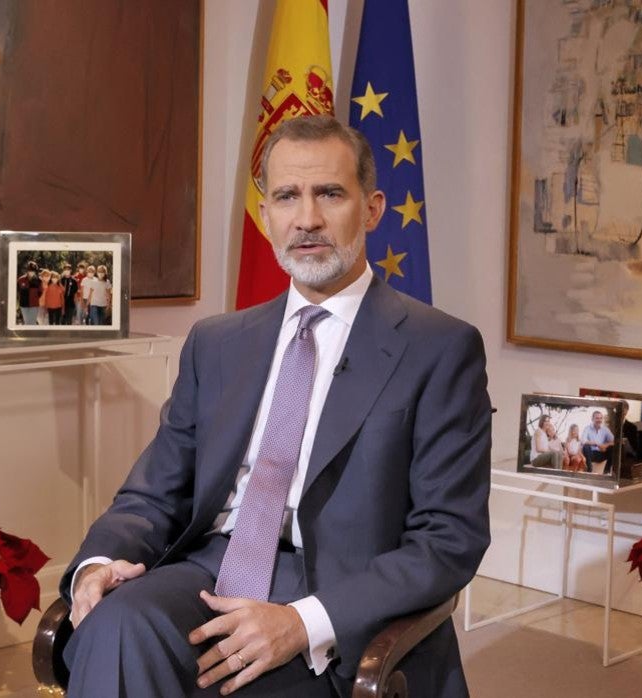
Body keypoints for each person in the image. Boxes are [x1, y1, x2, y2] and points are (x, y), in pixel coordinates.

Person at [61, 115, 491, 697]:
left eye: (330, 194)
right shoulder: (217, 343)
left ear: (371, 209)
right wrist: (98, 563)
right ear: (266, 216)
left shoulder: (439, 347)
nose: (307, 218)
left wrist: (302, 622)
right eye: (287, 196)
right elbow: (152, 491)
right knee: (114, 628)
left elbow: (448, 540)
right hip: (213, 568)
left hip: (337, 596)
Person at [17, 260, 41, 325]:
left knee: (32, 323)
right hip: (24, 305)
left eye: (33, 271)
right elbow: (18, 291)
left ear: (35, 271)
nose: (31, 272)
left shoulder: (39, 280)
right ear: (27, 270)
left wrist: (34, 298)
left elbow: (40, 292)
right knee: (27, 323)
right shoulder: (20, 280)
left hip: (34, 305)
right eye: (30, 270)